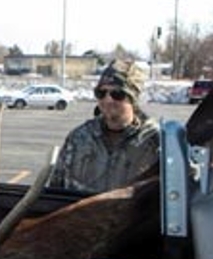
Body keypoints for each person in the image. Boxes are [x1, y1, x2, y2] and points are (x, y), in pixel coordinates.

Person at [49, 59, 160, 193]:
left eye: (117, 94)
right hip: (83, 213)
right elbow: (55, 190)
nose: (108, 100)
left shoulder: (156, 143)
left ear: (133, 98)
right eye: (101, 93)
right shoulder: (78, 139)